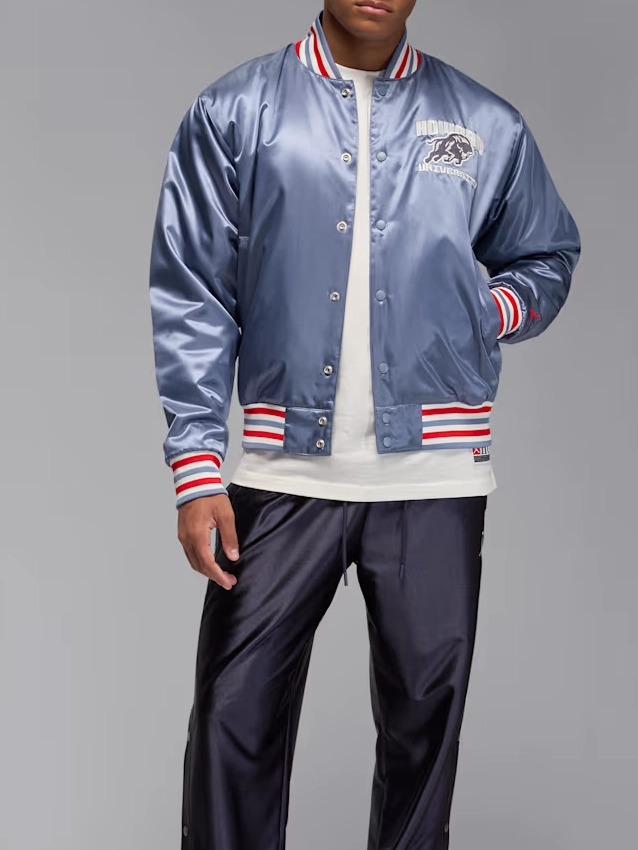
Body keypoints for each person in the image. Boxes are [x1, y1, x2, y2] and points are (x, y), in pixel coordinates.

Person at [148, 1, 581, 847]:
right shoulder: (236, 110)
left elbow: (547, 255)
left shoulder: (483, 122)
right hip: (280, 472)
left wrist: (487, 311)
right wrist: (196, 468)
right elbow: (193, 289)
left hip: (436, 476)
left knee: (425, 732)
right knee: (232, 723)